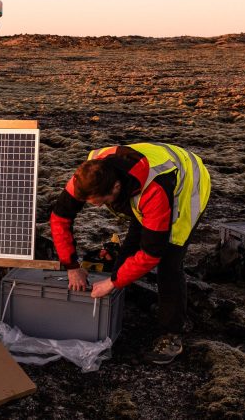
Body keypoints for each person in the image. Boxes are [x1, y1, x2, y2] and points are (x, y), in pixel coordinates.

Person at [50, 143, 211, 364]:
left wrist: (113, 283)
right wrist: (71, 266)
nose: (93, 206)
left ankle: (172, 333)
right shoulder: (88, 174)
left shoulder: (154, 190)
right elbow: (60, 217)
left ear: (115, 188)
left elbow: (152, 253)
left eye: (99, 202)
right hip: (140, 184)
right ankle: (113, 312)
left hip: (186, 186)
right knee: (128, 252)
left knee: (169, 262)